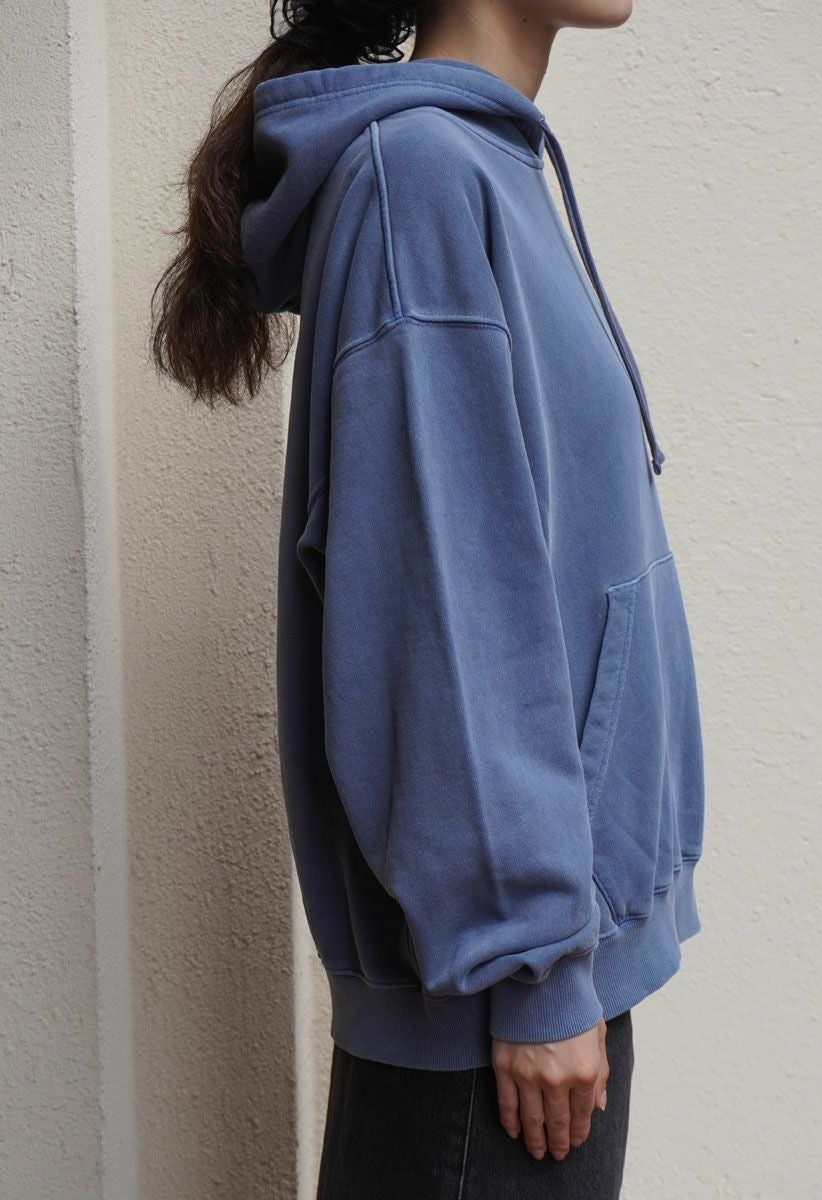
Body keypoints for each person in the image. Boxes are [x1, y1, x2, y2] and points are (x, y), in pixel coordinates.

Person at [150, 2, 706, 1196]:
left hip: (542, 979)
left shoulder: (486, 168)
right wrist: (533, 969)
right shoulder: (423, 178)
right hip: (499, 1014)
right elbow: (443, 605)